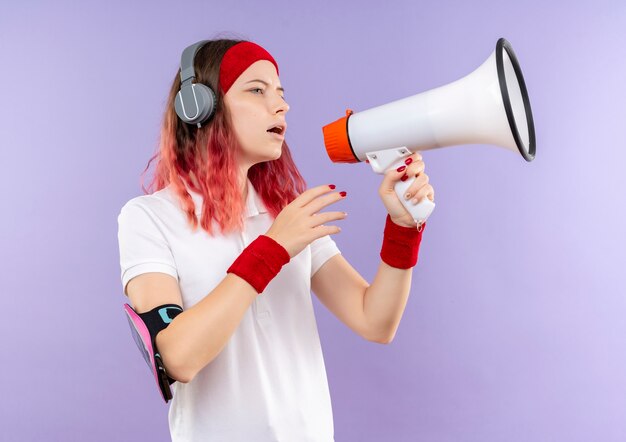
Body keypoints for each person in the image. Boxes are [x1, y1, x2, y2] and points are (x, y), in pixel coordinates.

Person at [117, 38, 435, 442]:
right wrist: (273, 249)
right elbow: (178, 356)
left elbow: (375, 321)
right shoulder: (148, 218)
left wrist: (403, 228)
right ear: (198, 105)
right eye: (257, 90)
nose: (282, 106)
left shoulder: (286, 216)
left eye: (282, 94)